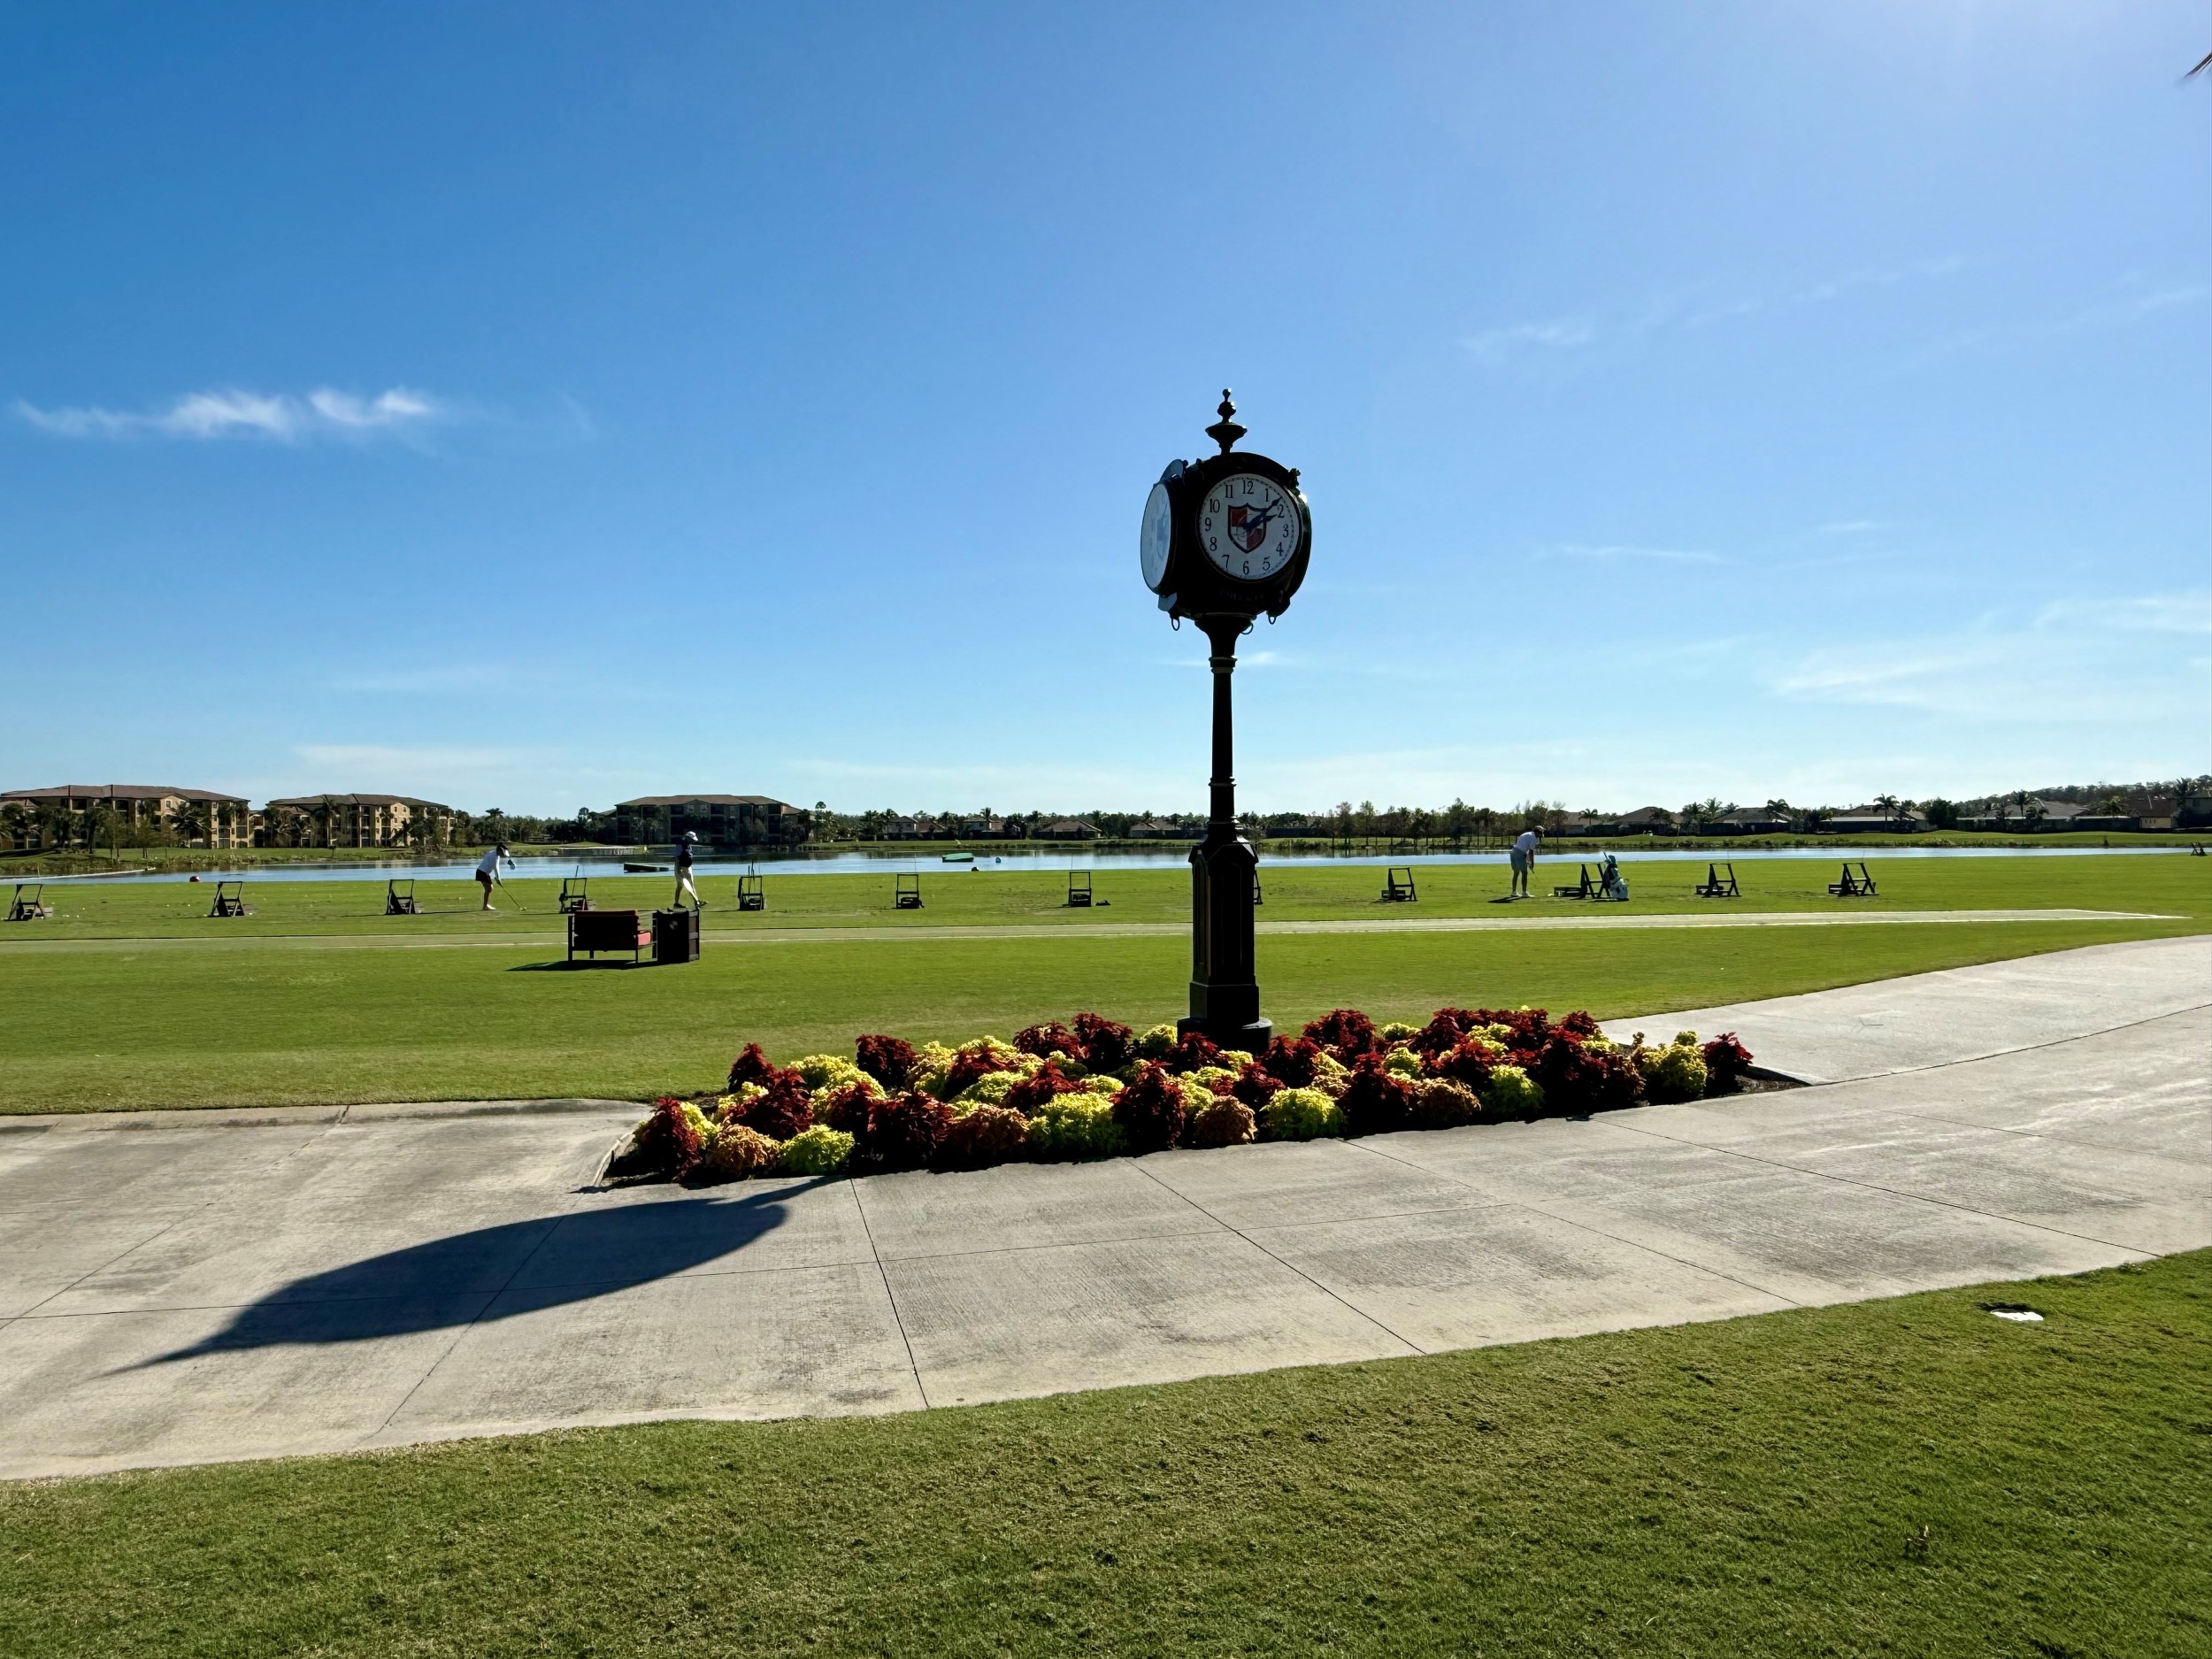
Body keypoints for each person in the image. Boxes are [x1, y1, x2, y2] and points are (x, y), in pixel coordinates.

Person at [475, 841, 513, 910]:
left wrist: (498, 878)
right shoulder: (494, 857)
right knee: (489, 888)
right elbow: (496, 868)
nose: (503, 855)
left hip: (483, 872)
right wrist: (498, 879)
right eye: (502, 854)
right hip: (482, 873)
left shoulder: (495, 854)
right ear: (499, 851)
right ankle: (485, 906)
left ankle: (485, 905)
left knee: (489, 889)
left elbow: (496, 868)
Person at [1509, 825, 1541, 898]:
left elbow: (1524, 849)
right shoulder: (1533, 838)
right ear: (1538, 833)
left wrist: (1528, 861)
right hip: (1519, 853)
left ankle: (1514, 892)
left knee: (1516, 873)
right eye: (1540, 834)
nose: (1540, 836)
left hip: (1513, 852)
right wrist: (1532, 863)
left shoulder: (1527, 834)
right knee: (1524, 873)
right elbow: (1531, 852)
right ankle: (1524, 892)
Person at [674, 830, 703, 910]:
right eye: (692, 839)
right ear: (687, 838)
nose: (693, 841)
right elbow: (677, 858)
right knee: (686, 885)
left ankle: (677, 903)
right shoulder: (680, 845)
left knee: (688, 885)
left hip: (688, 868)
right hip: (681, 868)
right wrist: (679, 869)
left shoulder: (689, 846)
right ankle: (696, 901)